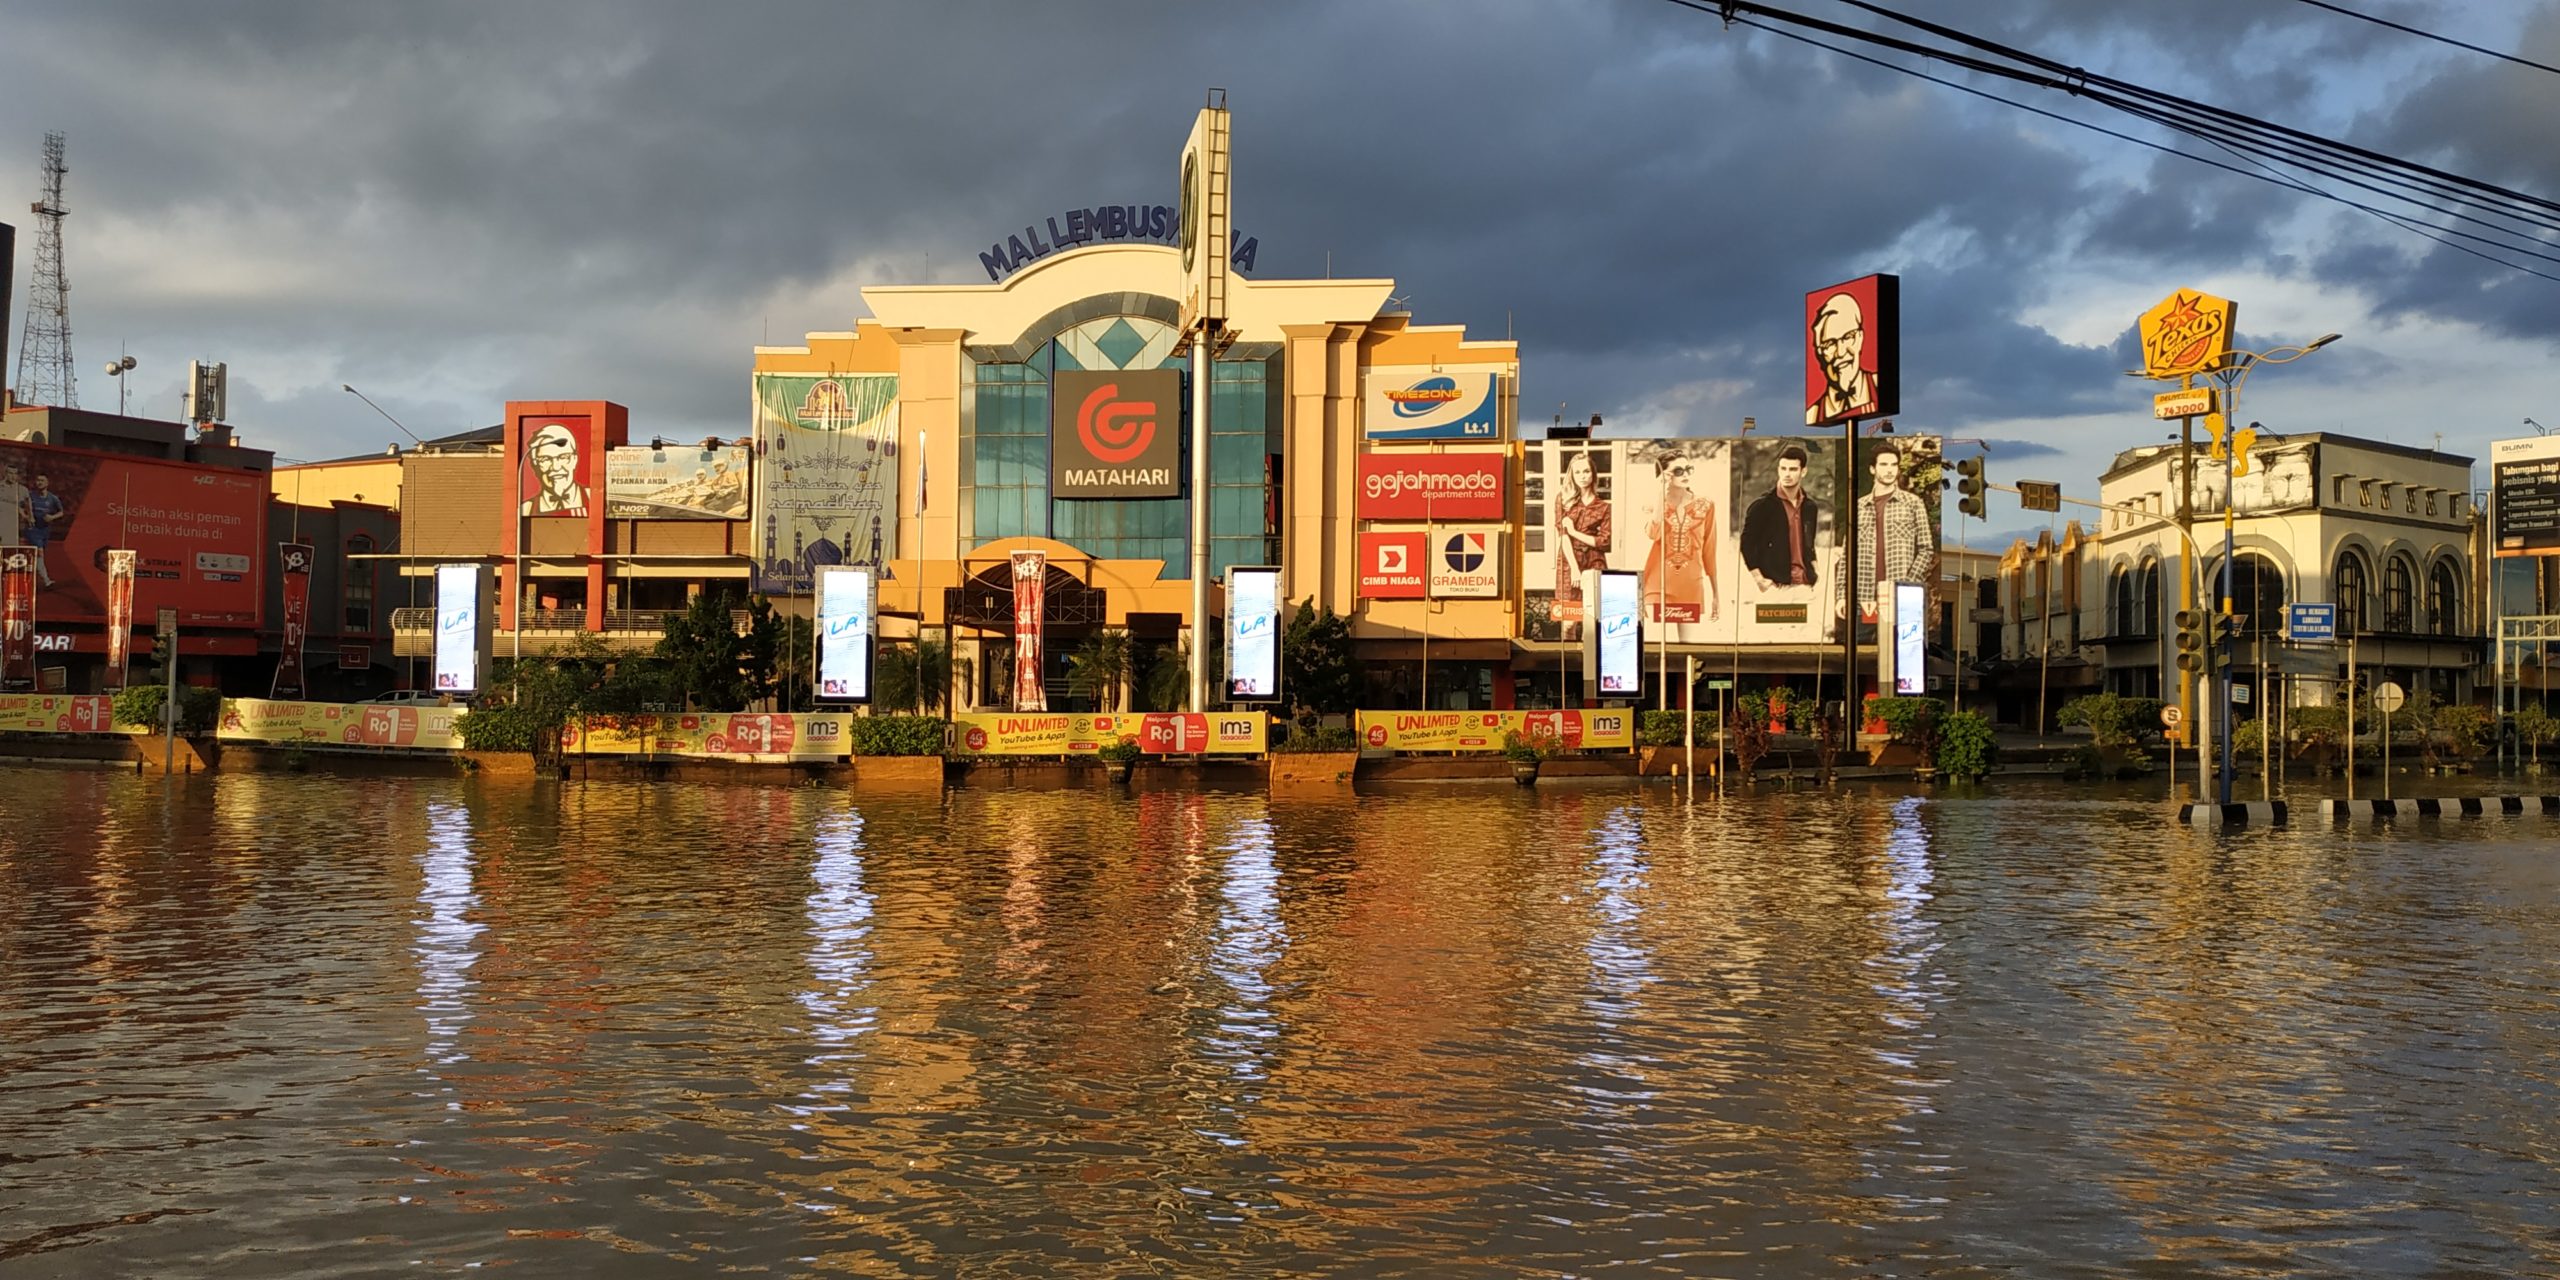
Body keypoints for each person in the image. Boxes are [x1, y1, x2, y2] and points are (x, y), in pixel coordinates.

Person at [1842, 442, 1935, 624]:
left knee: (1902, 650)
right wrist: (1841, 595)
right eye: (1884, 464)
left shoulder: (1913, 503)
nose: (1890, 470)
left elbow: (1926, 549)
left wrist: (1907, 584)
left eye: (1894, 465)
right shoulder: (1857, 506)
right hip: (1864, 598)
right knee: (1862, 649)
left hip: (1901, 598)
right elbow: (1847, 555)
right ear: (1872, 469)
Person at [1642, 453, 1717, 623]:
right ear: (1664, 475)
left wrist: (1715, 594)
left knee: (1686, 647)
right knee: (1656, 646)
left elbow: (1709, 551)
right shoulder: (1652, 503)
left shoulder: (1706, 505)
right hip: (1657, 585)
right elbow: (1654, 534)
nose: (1685, 474)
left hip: (1691, 586)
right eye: (1678, 471)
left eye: (1688, 469)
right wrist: (1660, 494)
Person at [1740, 444, 1822, 590]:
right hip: (1776, 585)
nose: (1787, 474)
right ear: (1778, 469)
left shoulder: (1810, 507)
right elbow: (1747, 544)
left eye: (1793, 469)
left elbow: (1809, 545)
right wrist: (1759, 579)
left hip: (1807, 584)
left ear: (1803, 472)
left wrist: (1817, 573)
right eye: (1783, 468)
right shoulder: (1762, 506)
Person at [1551, 448, 1611, 639]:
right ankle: (1568, 664)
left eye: (1586, 471)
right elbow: (1563, 536)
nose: (1582, 476)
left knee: (1590, 622)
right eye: (1577, 472)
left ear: (1593, 474)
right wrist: (1576, 570)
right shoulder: (1563, 500)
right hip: (1569, 564)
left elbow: (1604, 542)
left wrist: (1575, 531)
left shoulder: (1603, 507)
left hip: (1594, 563)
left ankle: (1588, 664)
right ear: (1571, 475)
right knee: (1568, 622)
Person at [1807, 291, 1881, 425]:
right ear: (1819, 352)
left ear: (1860, 338)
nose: (1840, 352)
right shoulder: (1813, 414)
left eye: (1848, 337)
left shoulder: (1879, 386)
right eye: (1830, 343)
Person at [519, 424, 588, 516]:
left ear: (575, 459)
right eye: (545, 459)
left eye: (563, 457)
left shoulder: (594, 498)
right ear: (535, 464)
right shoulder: (525, 510)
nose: (555, 467)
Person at [24, 474, 66, 587]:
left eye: (42, 480)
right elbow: (20, 507)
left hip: (45, 530)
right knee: (39, 553)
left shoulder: (53, 498)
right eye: (37, 480)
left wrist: (52, 517)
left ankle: (29, 577)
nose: (39, 482)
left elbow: (61, 512)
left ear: (47, 483)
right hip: (32, 529)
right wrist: (27, 517)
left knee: (36, 554)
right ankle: (46, 581)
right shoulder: (30, 496)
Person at [0, 463, 26, 548]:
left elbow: (22, 507)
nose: (13, 476)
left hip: (13, 529)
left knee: (10, 554)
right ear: (6, 474)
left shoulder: (22, 490)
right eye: (10, 473)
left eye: (15, 474)